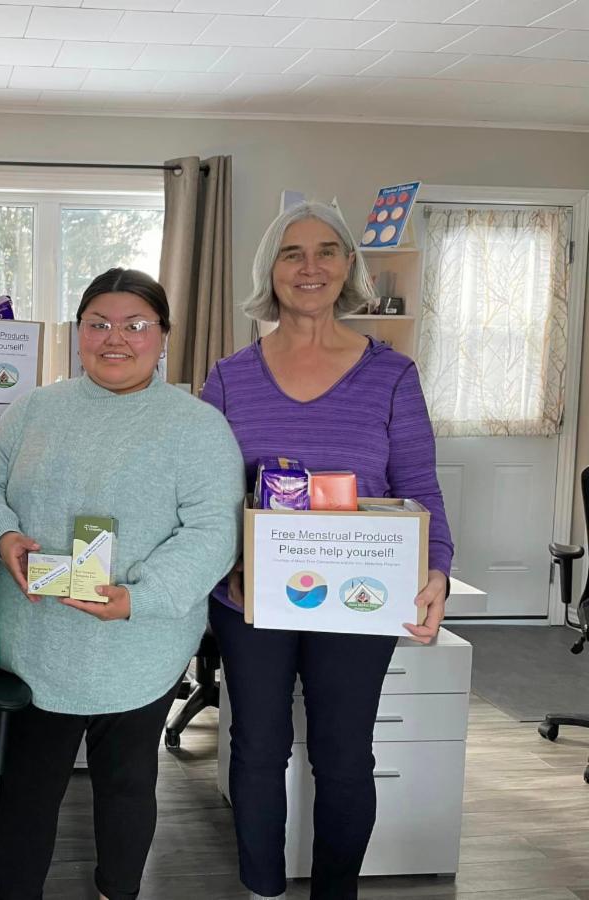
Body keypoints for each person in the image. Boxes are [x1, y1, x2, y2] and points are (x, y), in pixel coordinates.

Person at [0, 268, 244, 900]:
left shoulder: (197, 427)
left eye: (136, 325)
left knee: (126, 788)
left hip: (138, 649)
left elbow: (211, 536)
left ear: (163, 336)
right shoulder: (36, 407)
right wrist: (5, 537)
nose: (116, 338)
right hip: (34, 646)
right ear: (78, 333)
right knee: (27, 793)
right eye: (99, 324)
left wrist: (137, 599)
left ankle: (119, 891)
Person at [204, 201, 453, 900]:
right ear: (269, 272)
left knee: (344, 757)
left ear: (349, 267)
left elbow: (420, 488)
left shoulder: (392, 374)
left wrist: (436, 568)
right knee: (258, 750)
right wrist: (230, 567)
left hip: (359, 597)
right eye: (291, 253)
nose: (309, 267)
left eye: (325, 252)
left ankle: (334, 894)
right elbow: (208, 496)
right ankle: (263, 889)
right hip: (250, 598)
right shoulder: (229, 377)